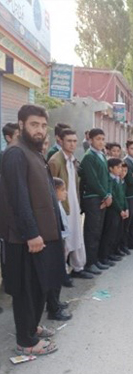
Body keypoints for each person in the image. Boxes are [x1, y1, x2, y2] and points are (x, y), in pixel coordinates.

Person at [0, 104, 65, 356]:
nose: (39, 130)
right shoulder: (16, 153)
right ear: (21, 125)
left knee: (39, 286)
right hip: (27, 238)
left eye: (42, 125)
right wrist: (31, 233)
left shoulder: (34, 152)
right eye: (33, 125)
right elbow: (18, 198)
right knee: (26, 290)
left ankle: (32, 328)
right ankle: (26, 342)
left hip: (41, 235)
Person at [48, 129, 92, 280]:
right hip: (63, 207)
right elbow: (52, 187)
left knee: (76, 237)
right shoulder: (55, 161)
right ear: (60, 141)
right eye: (69, 141)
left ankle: (78, 268)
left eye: (75, 141)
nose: (72, 144)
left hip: (74, 204)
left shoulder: (72, 159)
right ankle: (62, 273)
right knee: (65, 240)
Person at [79, 128, 113, 275]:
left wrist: (108, 194)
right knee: (91, 232)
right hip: (93, 198)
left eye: (103, 139)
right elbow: (93, 181)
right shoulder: (88, 157)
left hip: (103, 197)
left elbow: (107, 177)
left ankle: (95, 259)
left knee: (98, 231)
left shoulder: (102, 155)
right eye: (98, 139)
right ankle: (88, 263)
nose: (101, 142)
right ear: (90, 140)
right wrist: (105, 195)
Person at [46, 178, 72, 322]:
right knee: (54, 276)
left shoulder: (59, 204)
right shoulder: (51, 205)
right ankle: (53, 309)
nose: (65, 193)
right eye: (62, 190)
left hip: (60, 240)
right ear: (54, 191)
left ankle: (56, 302)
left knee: (59, 273)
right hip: (55, 242)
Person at [98, 158, 129, 264]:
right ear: (110, 168)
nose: (121, 170)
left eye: (121, 167)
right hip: (113, 211)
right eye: (118, 167)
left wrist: (126, 208)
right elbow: (114, 197)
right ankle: (104, 256)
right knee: (109, 234)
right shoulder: (109, 180)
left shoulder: (118, 179)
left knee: (116, 233)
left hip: (120, 211)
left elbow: (123, 196)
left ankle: (112, 253)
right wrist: (120, 210)